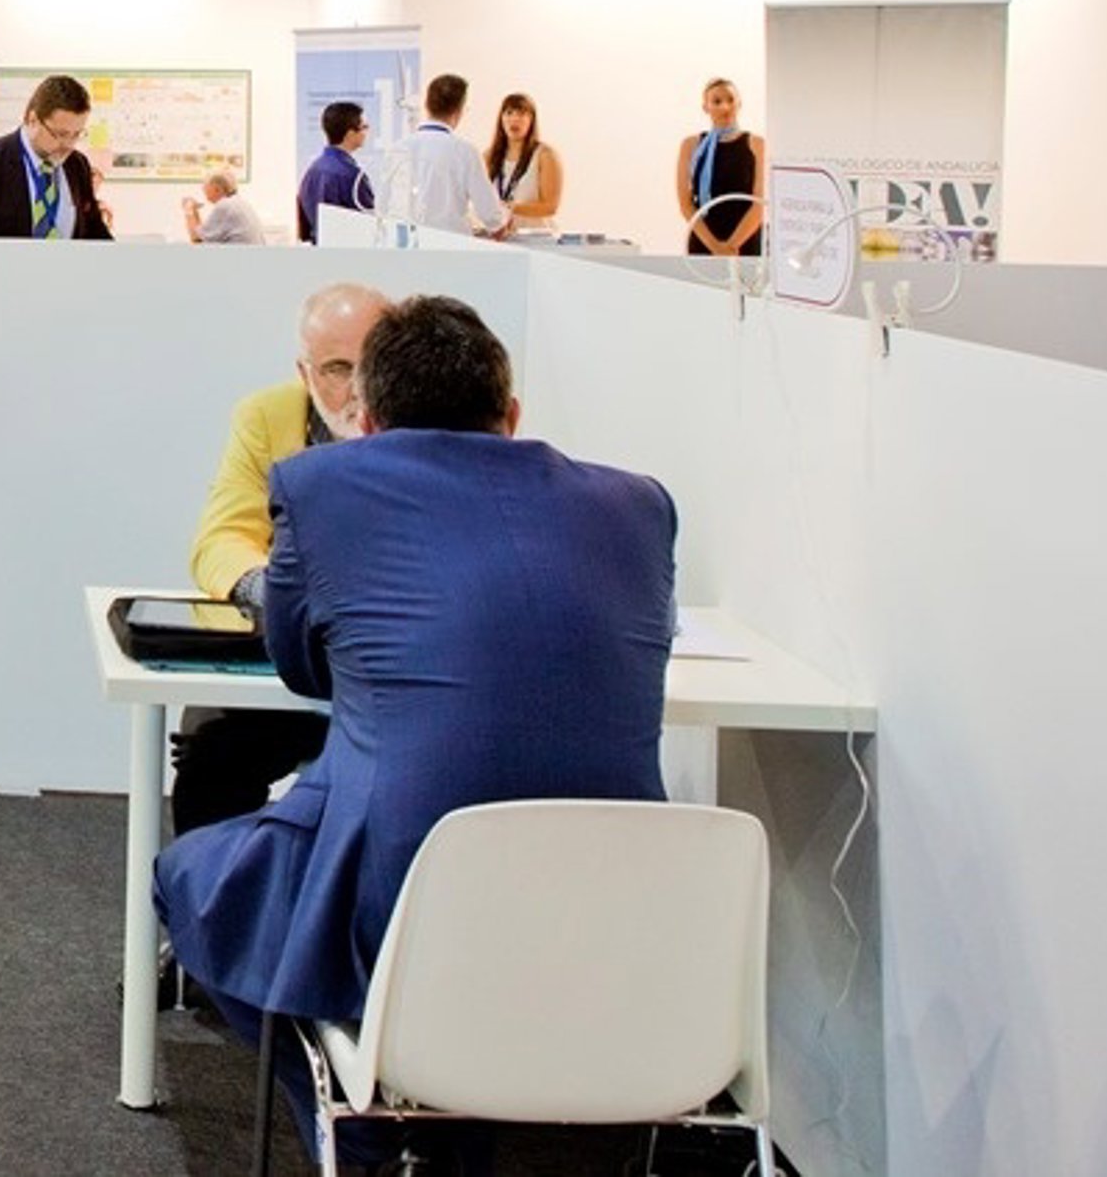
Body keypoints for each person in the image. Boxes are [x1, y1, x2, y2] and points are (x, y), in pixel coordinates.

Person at [155, 295, 677, 1167]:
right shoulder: (640, 505)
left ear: (366, 418)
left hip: (404, 889)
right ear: (513, 413)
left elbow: (301, 667)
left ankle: (361, 1130)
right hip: (623, 914)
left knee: (188, 878)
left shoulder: (320, 487)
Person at [173, 283, 389, 836]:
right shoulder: (267, 417)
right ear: (305, 372)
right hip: (293, 656)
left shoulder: (428, 417)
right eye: (338, 369)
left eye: (372, 364)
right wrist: (278, 593)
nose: (358, 388)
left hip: (394, 667)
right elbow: (222, 538)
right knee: (211, 751)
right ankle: (217, 889)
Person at [0, 75, 113, 392]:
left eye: (76, 134)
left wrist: (118, 270)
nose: (68, 145)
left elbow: (93, 231)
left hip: (56, 324)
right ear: (32, 119)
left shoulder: (77, 166)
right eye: (59, 134)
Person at [398, 73, 510, 236]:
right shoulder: (465, 152)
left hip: (408, 241)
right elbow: (489, 213)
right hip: (452, 243)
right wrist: (501, 222)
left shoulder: (399, 148)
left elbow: (387, 205)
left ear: (427, 105)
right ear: (460, 109)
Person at [678, 76, 767, 256]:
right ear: (706, 107)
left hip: (745, 240)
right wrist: (715, 247)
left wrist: (732, 246)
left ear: (739, 103)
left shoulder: (757, 144)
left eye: (730, 100)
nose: (725, 107)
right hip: (704, 239)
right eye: (717, 101)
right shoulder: (691, 145)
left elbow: (760, 202)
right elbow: (685, 203)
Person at [294, 101, 374, 244]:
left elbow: (304, 228)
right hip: (347, 251)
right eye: (364, 127)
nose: (366, 132)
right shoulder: (352, 175)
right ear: (350, 134)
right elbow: (371, 224)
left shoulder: (312, 170)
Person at [483, 92, 564, 227]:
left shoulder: (545, 155)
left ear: (531, 120)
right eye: (509, 113)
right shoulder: (488, 156)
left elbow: (550, 207)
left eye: (521, 114)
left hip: (536, 235)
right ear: (501, 119)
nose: (514, 119)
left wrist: (510, 208)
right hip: (499, 235)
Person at [182, 168, 266, 246]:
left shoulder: (225, 206)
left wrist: (188, 209)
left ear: (217, 189)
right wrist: (194, 211)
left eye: (205, 186)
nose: (203, 190)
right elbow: (202, 236)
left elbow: (196, 239)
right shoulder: (238, 202)